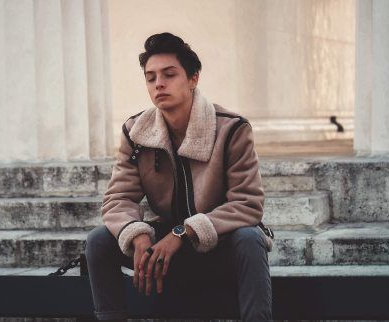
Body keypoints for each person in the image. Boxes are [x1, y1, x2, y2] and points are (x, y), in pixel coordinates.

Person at [85, 32, 272, 322]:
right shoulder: (136, 132)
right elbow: (118, 199)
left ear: (193, 78)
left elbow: (247, 204)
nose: (159, 83)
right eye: (150, 77)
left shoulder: (231, 129)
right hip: (163, 249)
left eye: (169, 74)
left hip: (218, 246)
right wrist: (138, 237)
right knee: (99, 241)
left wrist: (184, 233)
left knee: (250, 238)